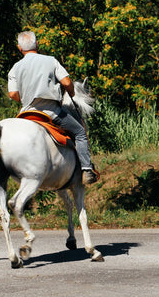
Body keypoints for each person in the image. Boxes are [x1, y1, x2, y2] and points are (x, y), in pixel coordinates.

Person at [7, 31, 100, 183]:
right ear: (37, 44)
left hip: (26, 112)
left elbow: (12, 94)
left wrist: (23, 99)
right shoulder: (51, 61)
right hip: (52, 111)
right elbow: (67, 82)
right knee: (80, 132)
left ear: (19, 48)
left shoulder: (15, 68)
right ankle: (87, 170)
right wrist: (71, 92)